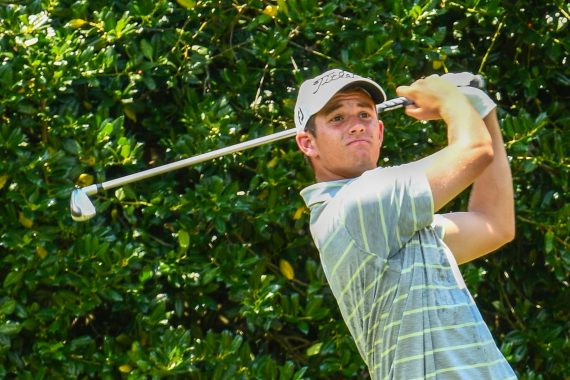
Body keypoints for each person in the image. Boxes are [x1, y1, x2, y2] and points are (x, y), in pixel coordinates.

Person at [294, 69, 516, 379]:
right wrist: (450, 99)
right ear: (308, 143)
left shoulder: (388, 222)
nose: (356, 126)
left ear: (380, 132)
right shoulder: (358, 205)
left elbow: (494, 224)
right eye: (337, 119)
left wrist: (481, 110)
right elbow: (475, 151)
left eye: (364, 114)